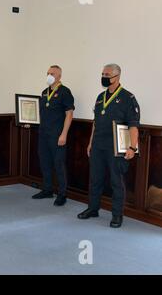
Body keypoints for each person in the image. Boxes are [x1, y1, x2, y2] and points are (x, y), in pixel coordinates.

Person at [78, 64, 140, 228]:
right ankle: (93, 208)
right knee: (95, 179)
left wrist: (132, 147)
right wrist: (91, 142)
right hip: (98, 145)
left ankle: (117, 215)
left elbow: (133, 125)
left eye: (107, 74)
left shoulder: (128, 98)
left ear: (117, 76)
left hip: (116, 148)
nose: (104, 77)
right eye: (102, 74)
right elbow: (95, 122)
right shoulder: (100, 97)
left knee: (116, 181)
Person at [32, 65, 75, 206]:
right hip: (43, 134)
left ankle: (62, 194)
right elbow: (39, 113)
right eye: (48, 73)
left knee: (59, 164)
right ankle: (47, 189)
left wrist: (64, 134)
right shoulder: (44, 92)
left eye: (52, 73)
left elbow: (69, 114)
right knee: (45, 162)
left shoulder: (65, 92)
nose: (49, 75)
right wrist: (28, 122)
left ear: (59, 76)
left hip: (57, 135)